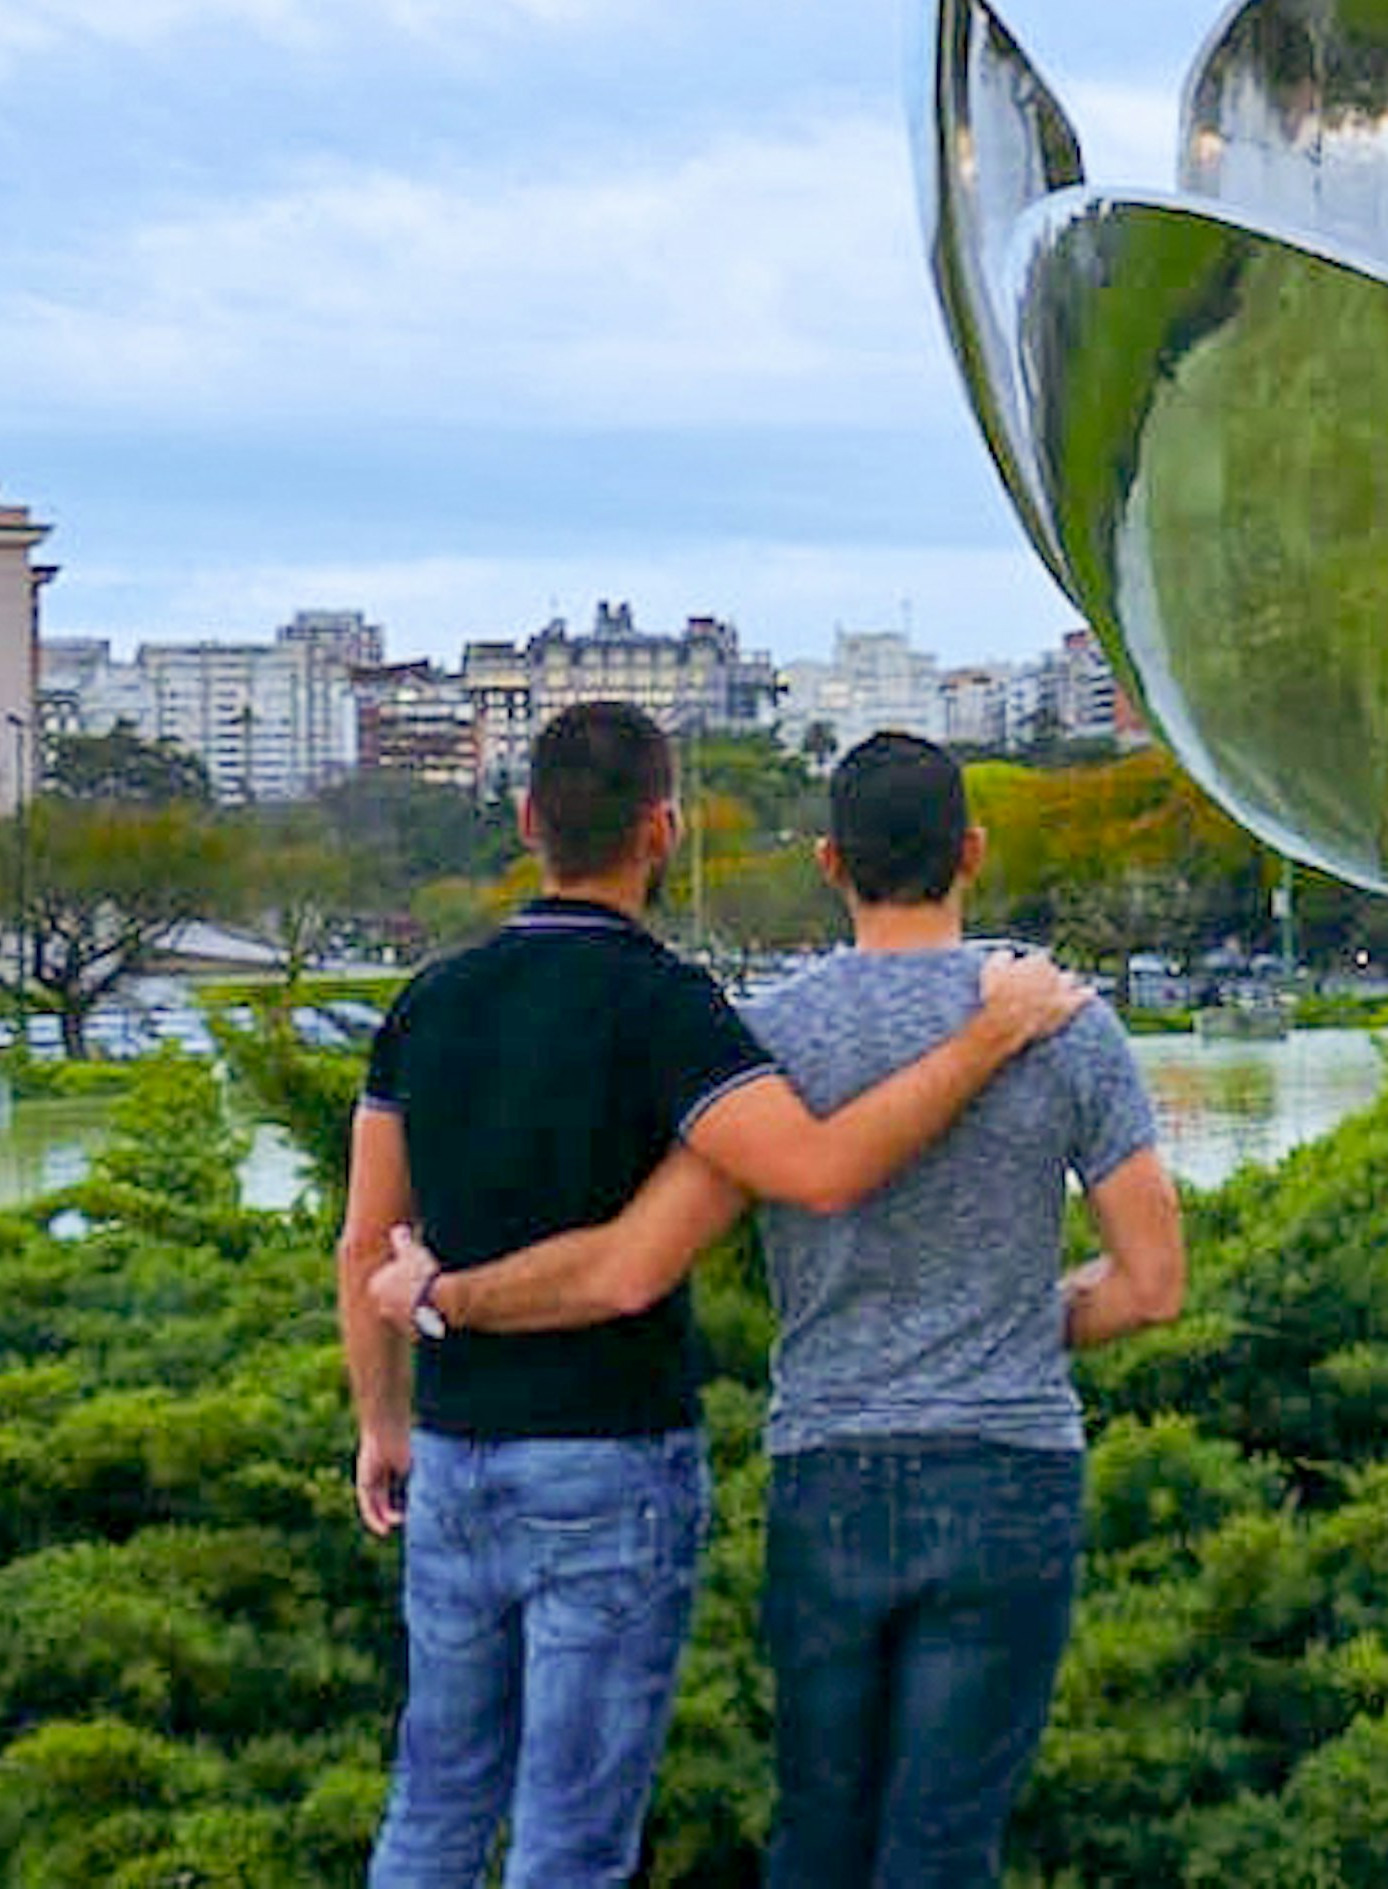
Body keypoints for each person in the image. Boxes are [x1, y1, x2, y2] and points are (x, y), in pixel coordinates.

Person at [372, 728, 1183, 1888]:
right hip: (1010, 1465)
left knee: (815, 1835)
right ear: (974, 851)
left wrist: (441, 1298)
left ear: (825, 861)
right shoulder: (1066, 1019)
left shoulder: (764, 1035)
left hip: (830, 1468)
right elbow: (1152, 1283)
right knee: (943, 1847)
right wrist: (1007, 1322)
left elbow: (637, 1256)